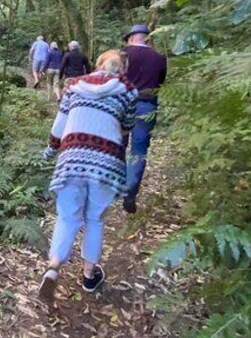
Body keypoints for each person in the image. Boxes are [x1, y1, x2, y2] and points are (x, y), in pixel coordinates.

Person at [38, 50, 137, 304]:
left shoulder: (74, 86)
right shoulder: (128, 91)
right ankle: (89, 275)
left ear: (98, 64)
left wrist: (50, 150)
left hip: (71, 160)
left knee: (67, 217)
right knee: (94, 219)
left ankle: (53, 267)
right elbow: (126, 128)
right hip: (107, 164)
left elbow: (59, 126)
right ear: (122, 68)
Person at [121, 24, 167, 214]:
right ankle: (131, 188)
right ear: (147, 38)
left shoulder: (122, 54)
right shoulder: (159, 58)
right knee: (139, 149)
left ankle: (117, 183)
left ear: (131, 38)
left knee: (119, 145)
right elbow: (161, 82)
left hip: (122, 103)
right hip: (147, 105)